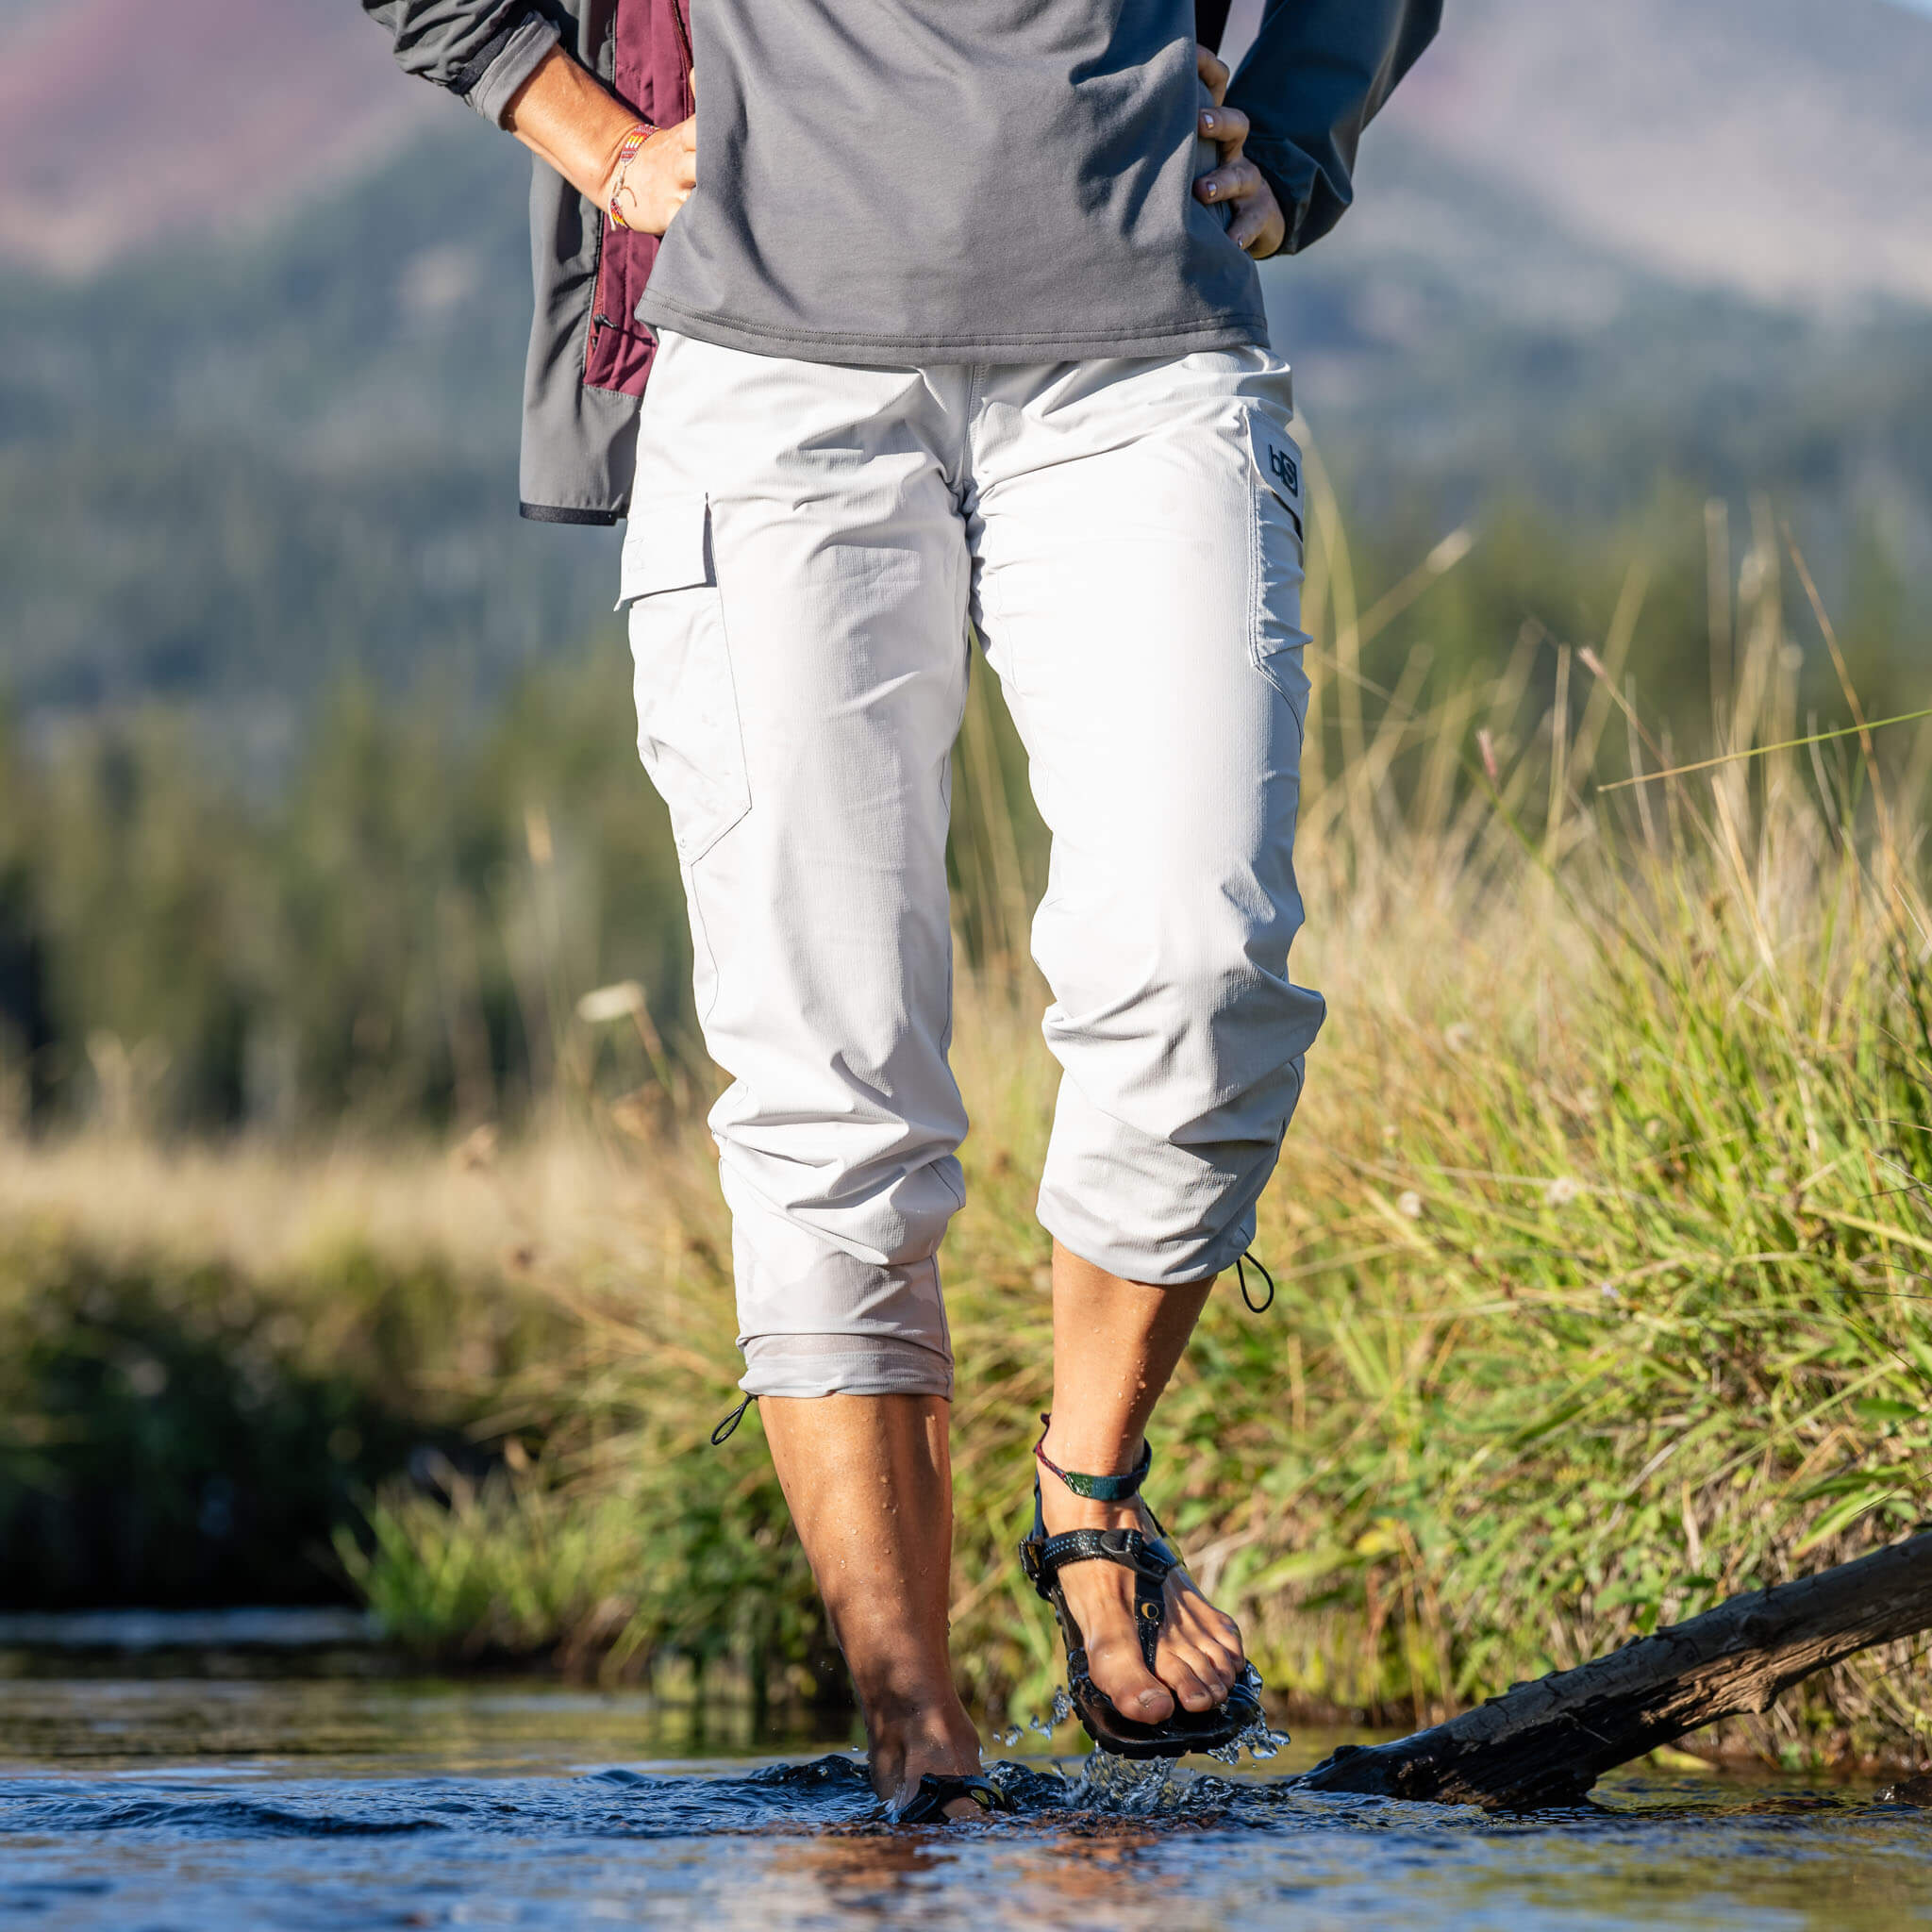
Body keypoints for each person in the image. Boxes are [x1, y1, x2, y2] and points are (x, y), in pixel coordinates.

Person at [366, 0, 1440, 1820]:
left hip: (1140, 353)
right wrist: (597, 141)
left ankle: (1087, 1494)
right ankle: (911, 1720)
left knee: (1204, 966)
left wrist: (1306, 128)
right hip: (766, 383)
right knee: (827, 1084)